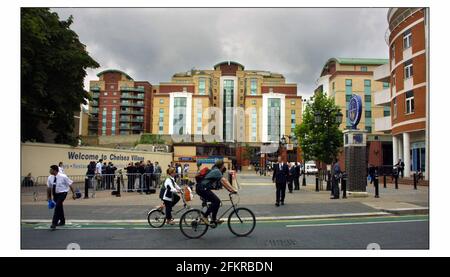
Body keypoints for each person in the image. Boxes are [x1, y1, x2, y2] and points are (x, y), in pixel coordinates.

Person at [196, 160, 237, 225]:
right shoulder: (217, 171)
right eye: (223, 165)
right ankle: (205, 217)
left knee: (217, 202)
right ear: (222, 165)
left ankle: (213, 220)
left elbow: (222, 182)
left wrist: (229, 190)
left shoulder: (215, 170)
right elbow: (224, 180)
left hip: (201, 188)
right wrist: (233, 189)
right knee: (216, 201)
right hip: (202, 188)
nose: (224, 167)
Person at [47, 165, 76, 230]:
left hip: (63, 193)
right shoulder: (50, 178)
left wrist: (74, 194)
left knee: (57, 206)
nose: (49, 171)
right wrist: (49, 198)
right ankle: (62, 221)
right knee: (59, 207)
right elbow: (48, 188)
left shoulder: (63, 176)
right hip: (55, 194)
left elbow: (70, 184)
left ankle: (54, 223)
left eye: (51, 169)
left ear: (55, 170)